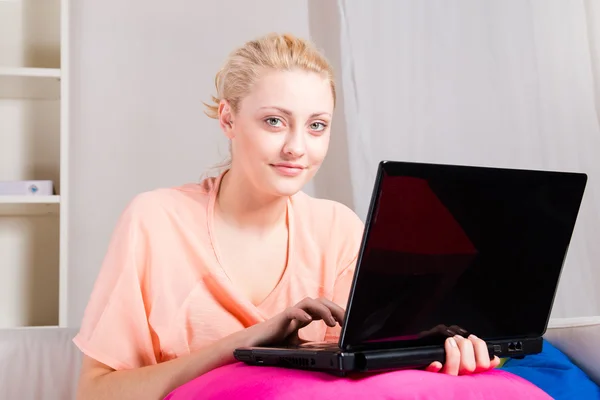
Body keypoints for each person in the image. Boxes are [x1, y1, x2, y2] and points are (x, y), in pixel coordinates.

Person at [74, 32, 500, 400]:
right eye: (274, 121)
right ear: (228, 119)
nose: (297, 148)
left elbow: (372, 374)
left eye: (317, 126)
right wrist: (243, 344)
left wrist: (445, 351)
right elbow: (96, 393)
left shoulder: (336, 228)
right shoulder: (156, 221)